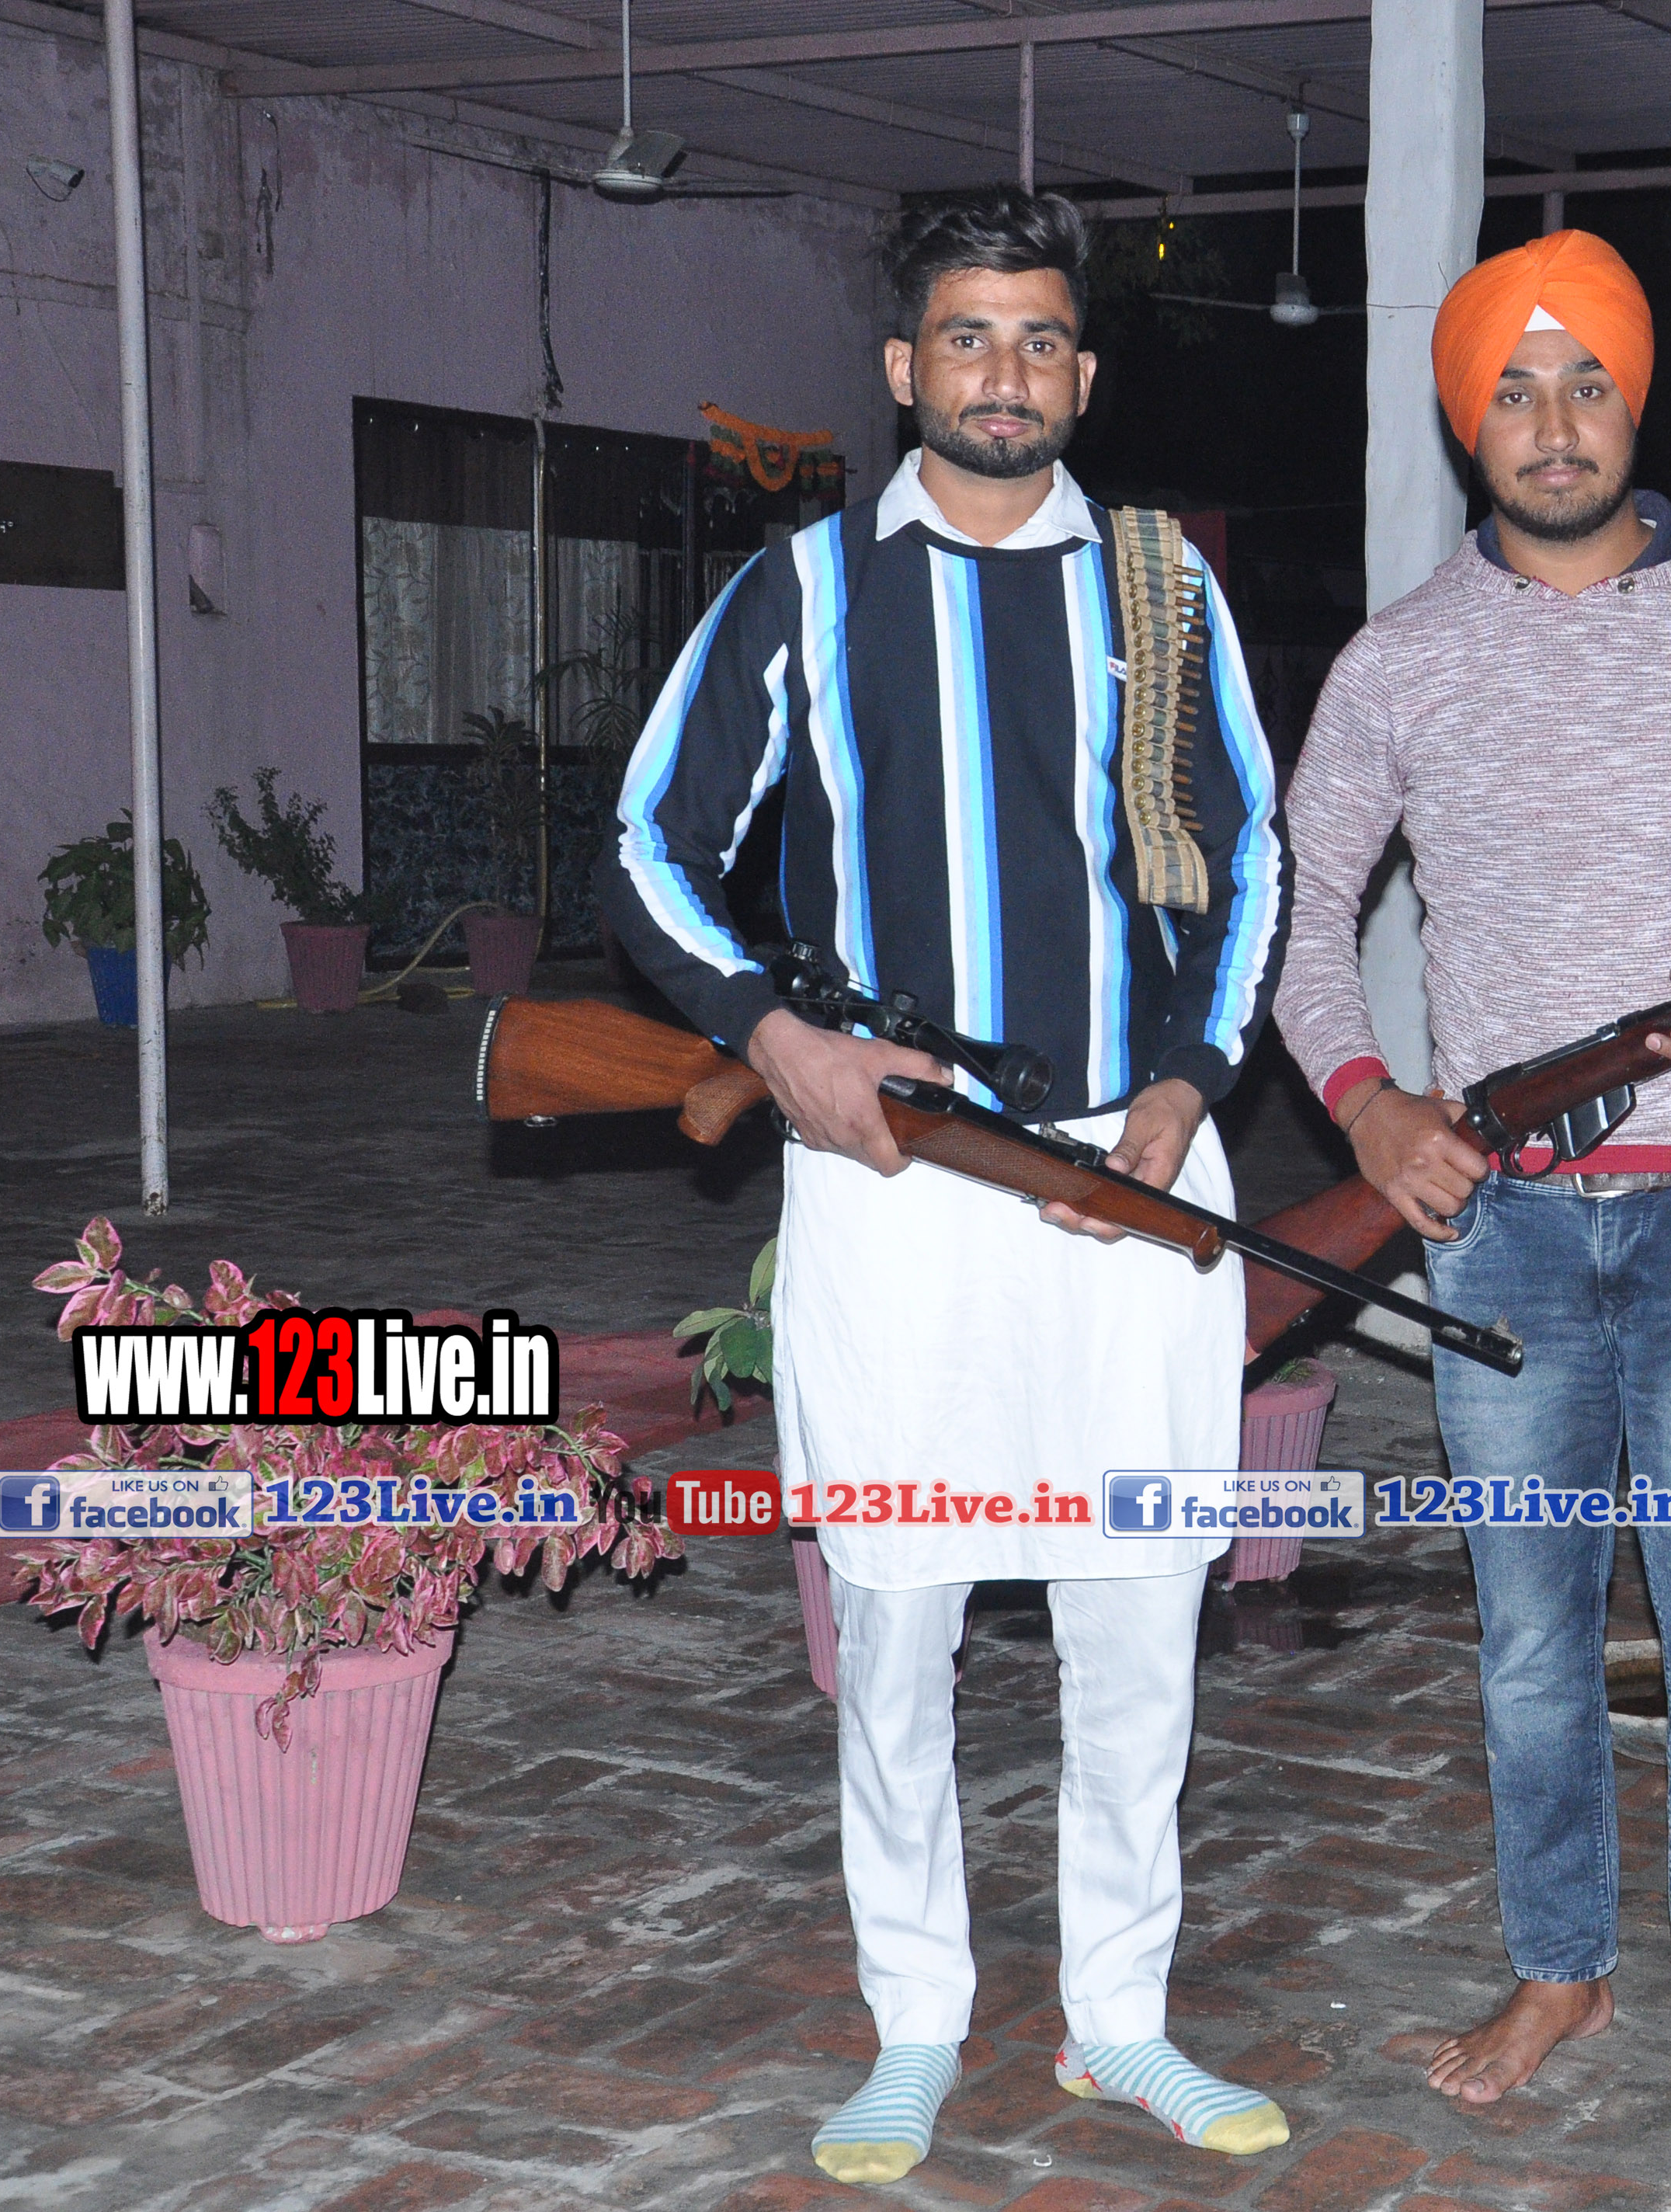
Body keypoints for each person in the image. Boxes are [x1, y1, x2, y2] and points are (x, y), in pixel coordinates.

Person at [599, 187, 1291, 2188]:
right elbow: (646, 843)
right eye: (969, 337)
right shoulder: (803, 588)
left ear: (1083, 370)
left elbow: (1250, 855)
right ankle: (913, 2023)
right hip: (893, 1182)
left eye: (1041, 338)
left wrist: (1187, 1082)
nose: (1007, 372)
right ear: (905, 367)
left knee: (1136, 1615)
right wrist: (773, 1036)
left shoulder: (1162, 587)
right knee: (897, 1622)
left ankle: (1121, 2016)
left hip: (1126, 1174)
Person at [1270, 229, 1671, 2162]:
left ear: (1633, 403)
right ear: (1464, 420)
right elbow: (1298, 922)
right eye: (1510, 389)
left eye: (1586, 384)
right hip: (1506, 1226)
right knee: (1532, 1640)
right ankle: (1559, 1966)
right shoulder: (1398, 658)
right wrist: (1367, 1105)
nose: (1551, 423)